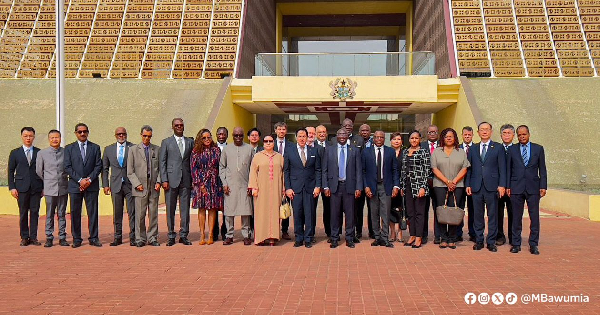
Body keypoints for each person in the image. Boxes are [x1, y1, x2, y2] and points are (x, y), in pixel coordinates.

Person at [465, 122, 506, 252]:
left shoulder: (498, 147)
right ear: (478, 132)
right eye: (482, 130)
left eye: (487, 129)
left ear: (491, 132)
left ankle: (491, 242)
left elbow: (502, 168)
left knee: (492, 215)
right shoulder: (473, 148)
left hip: (492, 187)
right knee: (477, 215)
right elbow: (469, 169)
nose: (484, 132)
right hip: (476, 186)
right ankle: (479, 240)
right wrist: (468, 184)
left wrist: (502, 185)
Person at [507, 125, 547, 255]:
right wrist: (508, 186)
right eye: (519, 135)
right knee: (516, 217)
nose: (522, 137)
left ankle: (533, 244)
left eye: (524, 134)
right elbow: (508, 169)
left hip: (533, 187)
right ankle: (516, 243)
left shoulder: (538, 149)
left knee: (534, 217)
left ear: (529, 134)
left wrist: (543, 186)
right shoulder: (512, 149)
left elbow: (543, 169)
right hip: (516, 187)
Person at [64, 123, 103, 248]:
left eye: (85, 131)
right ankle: (76, 238)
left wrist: (89, 180)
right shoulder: (69, 148)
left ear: (88, 132)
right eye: (80, 132)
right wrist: (80, 180)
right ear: (76, 133)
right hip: (75, 185)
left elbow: (98, 166)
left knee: (92, 212)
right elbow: (67, 167)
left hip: (91, 185)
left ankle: (94, 237)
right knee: (75, 212)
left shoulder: (95, 147)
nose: (82, 134)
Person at [322, 128, 362, 248]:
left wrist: (358, 187)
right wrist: (325, 186)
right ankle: (334, 238)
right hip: (334, 187)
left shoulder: (354, 150)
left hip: (349, 187)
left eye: (344, 134)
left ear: (348, 136)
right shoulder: (329, 150)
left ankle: (349, 238)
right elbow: (324, 170)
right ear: (336, 136)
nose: (342, 136)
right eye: (340, 134)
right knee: (334, 214)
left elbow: (359, 171)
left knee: (350, 215)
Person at [431, 128, 470, 249]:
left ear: (455, 138)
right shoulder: (437, 152)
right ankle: (443, 237)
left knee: (454, 211)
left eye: (451, 136)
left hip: (457, 186)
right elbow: (434, 168)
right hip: (440, 185)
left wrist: (454, 181)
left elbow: (464, 168)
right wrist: (447, 181)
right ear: (443, 138)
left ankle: (452, 238)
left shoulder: (461, 152)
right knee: (442, 211)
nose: (449, 138)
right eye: (446, 136)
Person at [159, 118, 194, 246]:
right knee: (170, 209)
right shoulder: (166, 142)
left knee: (185, 209)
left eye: (181, 125)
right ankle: (171, 235)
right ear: (172, 127)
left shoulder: (190, 142)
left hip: (185, 180)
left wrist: (193, 179)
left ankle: (184, 235)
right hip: (170, 180)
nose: (179, 127)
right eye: (177, 125)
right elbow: (162, 162)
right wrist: (164, 179)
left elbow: (192, 161)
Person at [284, 128, 322, 248]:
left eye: (304, 136)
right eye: (299, 136)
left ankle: (309, 238)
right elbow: (286, 171)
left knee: (310, 213)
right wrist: (288, 188)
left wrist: (318, 186)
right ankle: (299, 237)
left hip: (310, 188)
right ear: (296, 137)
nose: (301, 138)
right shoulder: (289, 151)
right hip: (295, 188)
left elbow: (318, 170)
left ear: (307, 138)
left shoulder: (313, 150)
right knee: (298, 213)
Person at [362, 130, 400, 248]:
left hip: (386, 186)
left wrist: (396, 186)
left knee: (385, 212)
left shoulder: (390, 152)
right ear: (373, 138)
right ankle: (377, 237)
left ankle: (385, 238)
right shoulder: (366, 152)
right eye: (377, 137)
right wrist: (365, 186)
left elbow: (395, 170)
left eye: (381, 137)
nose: (379, 139)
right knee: (374, 213)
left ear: (384, 139)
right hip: (372, 187)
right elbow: (362, 171)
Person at [127, 125, 161, 247]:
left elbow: (161, 168)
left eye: (149, 136)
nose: (147, 138)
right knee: (140, 215)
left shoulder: (157, 149)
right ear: (141, 135)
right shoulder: (133, 150)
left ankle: (152, 237)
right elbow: (130, 171)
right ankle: (140, 238)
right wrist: (137, 184)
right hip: (140, 187)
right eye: (145, 136)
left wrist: (159, 181)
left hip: (153, 187)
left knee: (153, 214)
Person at [9, 127, 43, 246]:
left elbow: (43, 171)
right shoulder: (15, 153)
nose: (28, 138)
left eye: (30, 136)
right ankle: (24, 237)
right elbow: (10, 171)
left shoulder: (39, 152)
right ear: (22, 136)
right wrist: (12, 187)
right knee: (23, 212)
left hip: (36, 187)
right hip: (21, 187)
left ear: (34, 137)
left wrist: (43, 187)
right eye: (26, 136)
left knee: (34, 212)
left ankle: (33, 237)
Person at [219, 127, 254, 246]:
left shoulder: (249, 149)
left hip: (245, 185)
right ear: (232, 136)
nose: (238, 138)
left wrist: (251, 185)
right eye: (236, 135)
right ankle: (229, 236)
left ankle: (246, 235)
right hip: (230, 185)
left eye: (240, 135)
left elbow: (253, 168)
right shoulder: (227, 149)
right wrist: (224, 183)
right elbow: (222, 167)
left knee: (245, 212)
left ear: (243, 136)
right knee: (229, 212)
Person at [102, 127, 135, 246]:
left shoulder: (133, 147)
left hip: (130, 185)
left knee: (132, 212)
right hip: (115, 185)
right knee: (117, 213)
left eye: (123, 134)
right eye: (119, 134)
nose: (121, 136)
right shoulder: (108, 149)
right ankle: (118, 237)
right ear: (115, 135)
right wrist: (105, 185)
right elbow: (105, 169)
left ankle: (133, 237)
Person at [249, 135, 284, 246]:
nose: (268, 143)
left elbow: (282, 174)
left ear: (274, 143)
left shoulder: (279, 157)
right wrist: (254, 187)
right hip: (261, 190)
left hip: (276, 189)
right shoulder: (257, 156)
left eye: (270, 141)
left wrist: (283, 188)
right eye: (266, 141)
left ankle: (273, 236)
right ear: (263, 143)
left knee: (274, 212)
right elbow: (253, 173)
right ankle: (261, 237)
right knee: (261, 213)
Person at [36, 129, 69, 247]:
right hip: (49, 188)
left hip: (63, 187)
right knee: (49, 213)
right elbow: (39, 171)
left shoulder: (66, 152)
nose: (55, 140)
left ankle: (62, 237)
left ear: (60, 138)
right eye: (52, 138)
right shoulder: (42, 153)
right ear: (49, 139)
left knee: (62, 213)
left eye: (57, 137)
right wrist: (48, 180)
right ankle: (49, 236)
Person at [191, 129, 224, 245]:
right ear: (200, 139)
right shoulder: (195, 151)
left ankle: (210, 234)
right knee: (202, 208)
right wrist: (201, 184)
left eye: (208, 137)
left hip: (214, 182)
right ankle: (202, 234)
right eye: (204, 138)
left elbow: (220, 166)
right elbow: (194, 168)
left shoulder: (216, 150)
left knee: (212, 208)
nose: (207, 140)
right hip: (200, 184)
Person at [400, 131, 430, 248]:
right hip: (407, 186)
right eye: (412, 138)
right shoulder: (405, 152)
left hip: (419, 186)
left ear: (419, 139)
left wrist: (423, 187)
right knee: (410, 212)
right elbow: (403, 170)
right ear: (409, 140)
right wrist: (402, 186)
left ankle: (419, 237)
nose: (414, 140)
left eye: (416, 138)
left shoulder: (424, 152)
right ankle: (412, 235)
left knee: (419, 213)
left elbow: (427, 171)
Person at [420, 124, 439, 244]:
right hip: (424, 183)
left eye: (434, 132)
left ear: (438, 133)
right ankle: (424, 235)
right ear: (427, 134)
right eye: (430, 132)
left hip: (438, 182)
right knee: (423, 210)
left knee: (438, 209)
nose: (432, 134)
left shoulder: (442, 146)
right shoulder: (421, 146)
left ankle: (438, 235)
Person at [273, 121, 293, 240]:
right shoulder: (270, 143)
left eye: (283, 129)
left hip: (287, 179)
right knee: (273, 206)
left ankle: (285, 230)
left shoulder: (291, 146)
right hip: (273, 179)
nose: (281, 131)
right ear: (275, 130)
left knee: (285, 205)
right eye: (279, 129)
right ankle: (274, 230)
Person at [497, 124, 515, 246]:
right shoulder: (497, 148)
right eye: (504, 133)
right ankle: (499, 236)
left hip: (513, 187)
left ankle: (513, 237)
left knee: (513, 213)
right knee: (498, 213)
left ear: (513, 135)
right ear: (501, 135)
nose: (506, 135)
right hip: (498, 187)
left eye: (509, 133)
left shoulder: (517, 149)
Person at [355, 123, 374, 239]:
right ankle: (358, 231)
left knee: (372, 208)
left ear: (370, 132)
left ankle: (372, 231)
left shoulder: (374, 143)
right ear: (359, 132)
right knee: (358, 209)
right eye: (362, 130)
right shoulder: (355, 142)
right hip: (359, 180)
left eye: (367, 130)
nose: (364, 132)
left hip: (371, 181)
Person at [315, 125, 333, 240]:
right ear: (316, 133)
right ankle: (311, 233)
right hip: (314, 183)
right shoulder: (311, 146)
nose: (322, 134)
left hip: (328, 182)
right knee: (311, 209)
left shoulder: (332, 146)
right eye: (320, 132)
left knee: (329, 208)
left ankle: (330, 232)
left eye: (324, 132)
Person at [459, 126, 475, 242]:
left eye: (469, 135)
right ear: (462, 135)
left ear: (472, 135)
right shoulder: (457, 148)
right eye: (465, 135)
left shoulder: (477, 148)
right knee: (459, 208)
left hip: (473, 184)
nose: (467, 137)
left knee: (473, 209)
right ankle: (458, 232)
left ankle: (473, 233)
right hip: (459, 183)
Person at [389, 132, 405, 243]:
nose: (396, 141)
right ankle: (392, 232)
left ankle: (400, 232)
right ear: (391, 141)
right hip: (389, 185)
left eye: (398, 139)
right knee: (390, 209)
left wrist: (402, 186)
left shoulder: (405, 153)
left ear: (402, 141)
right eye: (394, 139)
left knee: (401, 209)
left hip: (402, 186)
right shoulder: (387, 152)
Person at [214, 126, 229, 241]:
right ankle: (214, 231)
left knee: (226, 207)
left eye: (224, 134)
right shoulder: (212, 148)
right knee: (214, 207)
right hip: (213, 182)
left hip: (226, 182)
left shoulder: (231, 148)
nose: (221, 136)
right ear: (216, 135)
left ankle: (225, 231)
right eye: (219, 134)